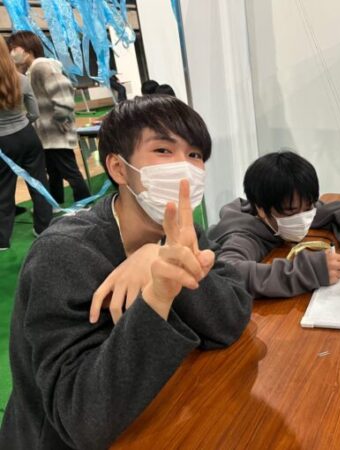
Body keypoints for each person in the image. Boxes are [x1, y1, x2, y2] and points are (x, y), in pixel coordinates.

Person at [0, 95, 253, 448]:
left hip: (155, 416)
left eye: (195, 155)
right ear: (119, 168)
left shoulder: (180, 230)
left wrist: (162, 258)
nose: (185, 167)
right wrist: (158, 295)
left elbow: (231, 319)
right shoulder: (62, 254)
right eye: (163, 150)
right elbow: (82, 418)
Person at [207, 151, 340, 298]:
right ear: (261, 209)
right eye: (291, 211)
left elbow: (338, 210)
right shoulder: (241, 237)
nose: (302, 218)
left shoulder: (292, 208)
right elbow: (228, 274)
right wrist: (308, 271)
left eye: (309, 207)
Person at [7, 31, 91, 206]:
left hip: (56, 133)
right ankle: (56, 203)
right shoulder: (31, 70)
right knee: (54, 172)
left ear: (27, 49)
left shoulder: (42, 66)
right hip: (46, 135)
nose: (12, 53)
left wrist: (60, 122)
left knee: (70, 171)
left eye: (14, 49)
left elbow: (63, 93)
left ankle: (84, 203)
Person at [0, 37, 52, 250]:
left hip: (3, 142)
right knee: (38, 182)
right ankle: (44, 228)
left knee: (3, 190)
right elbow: (34, 113)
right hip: (27, 136)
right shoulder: (21, 79)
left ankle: (2, 240)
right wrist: (23, 123)